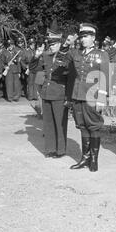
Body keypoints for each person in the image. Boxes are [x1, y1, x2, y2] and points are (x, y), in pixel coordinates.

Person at [60, 23, 110, 172]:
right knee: (82, 126)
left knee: (93, 126)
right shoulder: (75, 53)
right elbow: (61, 62)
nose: (83, 40)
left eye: (86, 36)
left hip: (92, 95)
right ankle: (85, 158)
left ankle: (94, 159)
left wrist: (102, 98)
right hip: (77, 95)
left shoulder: (101, 54)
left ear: (93, 38)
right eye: (81, 37)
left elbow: (106, 76)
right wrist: (65, 44)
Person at [29, 20, 70, 158]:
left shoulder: (67, 56)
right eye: (49, 44)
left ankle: (60, 150)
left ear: (59, 43)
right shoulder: (46, 55)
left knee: (60, 123)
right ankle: (50, 149)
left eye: (53, 44)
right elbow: (34, 69)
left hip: (59, 93)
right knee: (48, 123)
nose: (50, 47)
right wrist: (36, 56)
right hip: (46, 93)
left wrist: (68, 97)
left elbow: (70, 77)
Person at [3, 38, 22, 102]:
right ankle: (10, 98)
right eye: (9, 45)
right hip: (8, 71)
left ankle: (16, 97)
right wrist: (5, 67)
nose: (10, 46)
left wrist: (19, 71)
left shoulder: (16, 52)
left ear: (13, 45)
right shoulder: (4, 53)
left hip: (15, 70)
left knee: (16, 85)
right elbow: (1, 62)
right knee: (9, 84)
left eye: (11, 45)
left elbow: (18, 63)